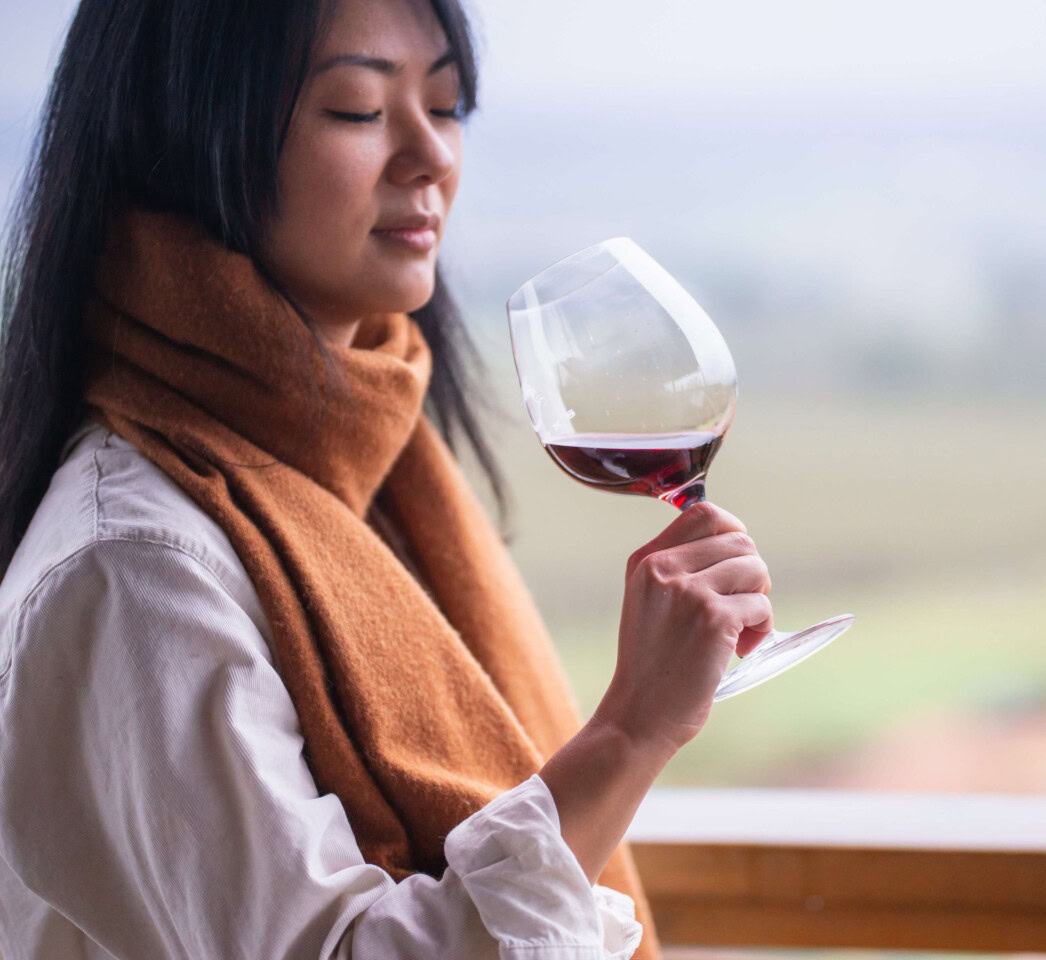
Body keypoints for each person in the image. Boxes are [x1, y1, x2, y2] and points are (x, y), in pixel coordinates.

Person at [0, 0, 774, 957]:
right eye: (360, 110)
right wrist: (630, 731)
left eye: (446, 106)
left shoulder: (374, 471)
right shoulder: (130, 571)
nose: (432, 156)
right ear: (184, 139)